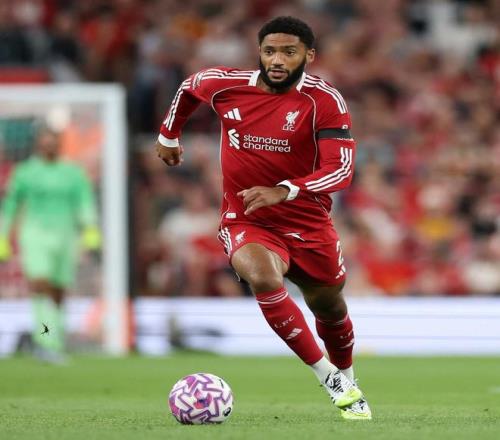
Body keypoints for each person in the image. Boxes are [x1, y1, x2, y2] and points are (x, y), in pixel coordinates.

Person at [155, 16, 371, 420]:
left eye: (288, 52)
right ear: (259, 52)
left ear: (309, 55)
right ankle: (329, 378)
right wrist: (169, 135)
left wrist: (285, 190)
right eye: (270, 51)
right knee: (264, 277)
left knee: (330, 308)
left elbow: (340, 170)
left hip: (308, 223)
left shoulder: (323, 101)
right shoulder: (227, 85)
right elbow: (189, 87)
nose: (277, 60)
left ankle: (348, 377)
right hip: (247, 219)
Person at [0, 128, 101, 362]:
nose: (49, 147)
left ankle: (54, 339)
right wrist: (3, 237)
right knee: (40, 282)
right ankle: (43, 340)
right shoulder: (25, 172)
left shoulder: (72, 173)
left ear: (58, 144)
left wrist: (91, 231)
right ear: (38, 145)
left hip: (66, 236)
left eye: (52, 143)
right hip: (34, 234)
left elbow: (84, 203)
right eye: (44, 143)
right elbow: (11, 206)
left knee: (58, 290)